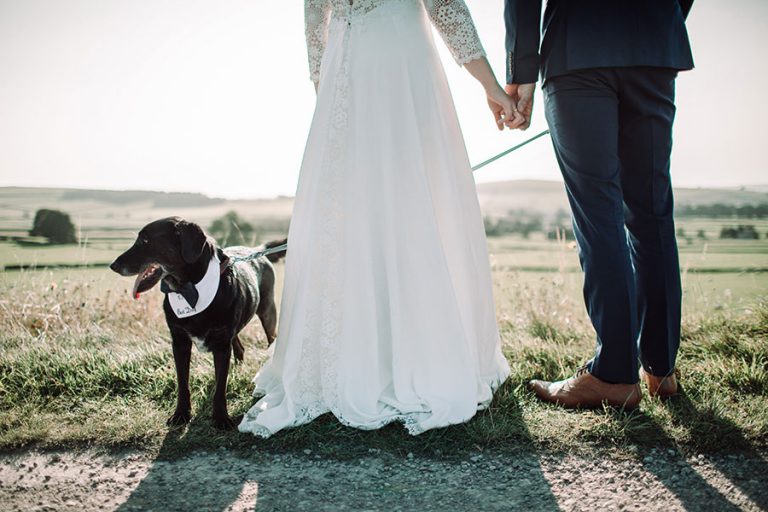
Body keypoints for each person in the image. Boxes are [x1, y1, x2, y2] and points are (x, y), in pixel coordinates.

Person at [239, 0, 516, 437]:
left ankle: (368, 358)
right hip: (388, 61)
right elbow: (444, 6)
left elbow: (316, 18)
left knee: (370, 208)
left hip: (357, 68)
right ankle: (394, 357)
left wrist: (325, 83)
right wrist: (493, 88)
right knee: (394, 203)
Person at [503, 0, 694, 408]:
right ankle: (661, 370)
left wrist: (520, 72)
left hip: (579, 49)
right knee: (652, 213)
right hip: (654, 46)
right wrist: (658, 24)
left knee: (599, 215)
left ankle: (613, 375)